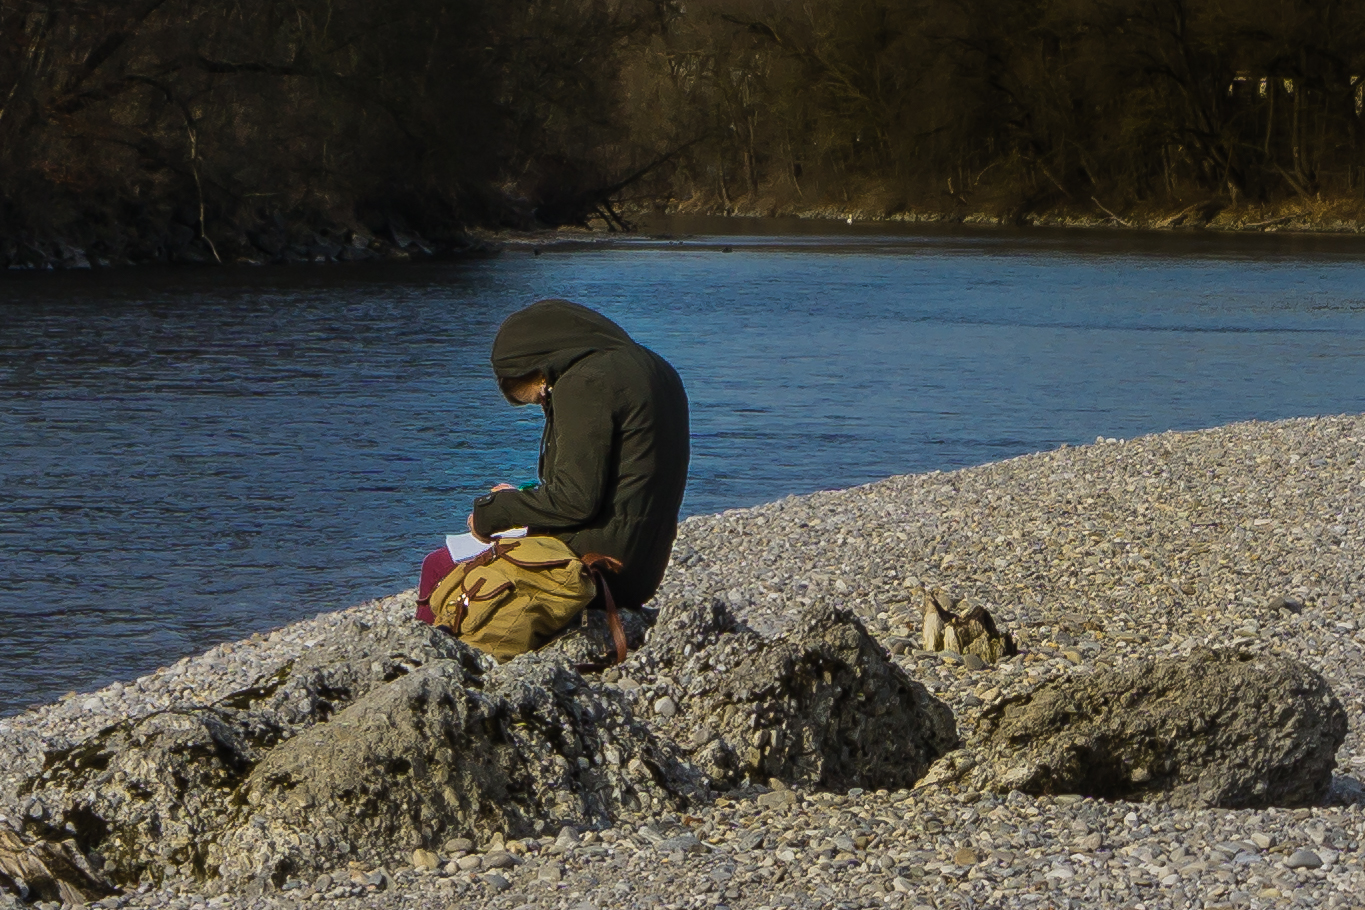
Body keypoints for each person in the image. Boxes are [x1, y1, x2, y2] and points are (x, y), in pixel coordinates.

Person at [419, 298, 689, 625]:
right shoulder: (655, 367)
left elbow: (575, 501)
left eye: (543, 395)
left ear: (540, 367)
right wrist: (522, 499)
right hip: (642, 569)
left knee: (437, 564)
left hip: (594, 571)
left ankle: (431, 653)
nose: (548, 402)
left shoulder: (585, 382)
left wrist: (492, 511)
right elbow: (615, 485)